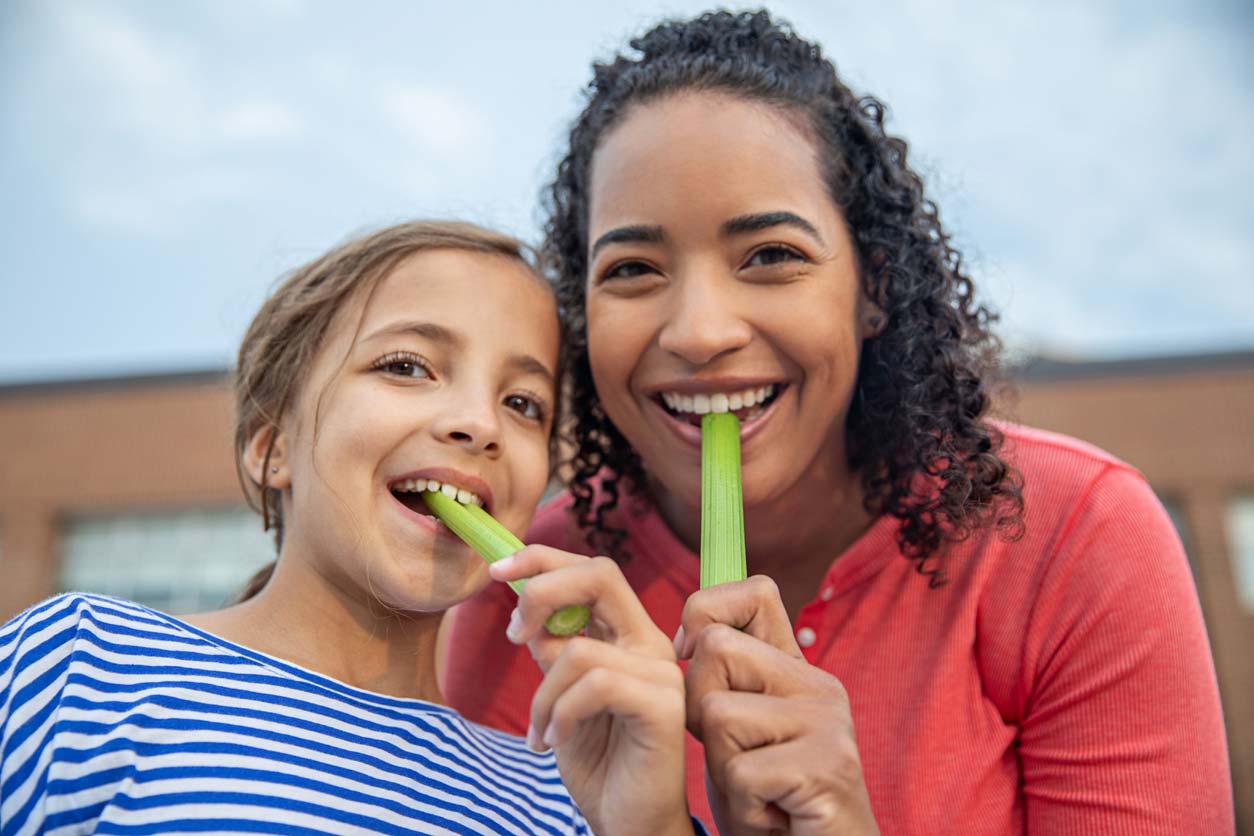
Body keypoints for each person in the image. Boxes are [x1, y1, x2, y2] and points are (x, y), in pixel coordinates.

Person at [443, 11, 1235, 835]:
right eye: (633, 269)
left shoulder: (1075, 537)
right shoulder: (536, 588)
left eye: (771, 255)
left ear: (873, 288)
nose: (701, 332)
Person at [0, 221, 701, 836]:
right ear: (271, 445)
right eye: (406, 365)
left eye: (523, 403)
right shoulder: (79, 666)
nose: (481, 424)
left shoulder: (570, 799)